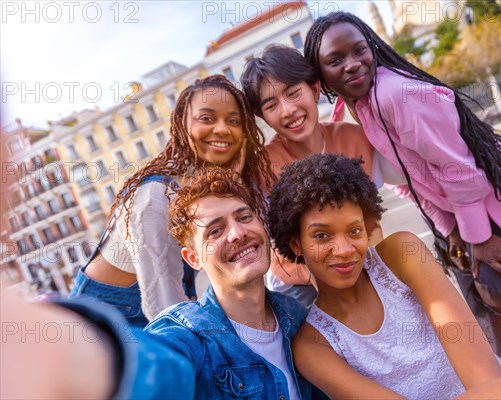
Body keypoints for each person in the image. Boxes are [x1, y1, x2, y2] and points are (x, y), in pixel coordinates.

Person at [304, 11, 501, 371]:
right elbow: (412, 177)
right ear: (321, 74)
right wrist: (450, 231)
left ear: (373, 47)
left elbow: (458, 171)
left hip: (488, 211)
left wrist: (478, 236)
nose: (352, 65)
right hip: (456, 218)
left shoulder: (396, 94)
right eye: (335, 60)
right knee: (476, 309)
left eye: (359, 50)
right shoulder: (358, 104)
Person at [267, 153, 501, 399]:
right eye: (322, 236)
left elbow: (485, 378)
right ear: (296, 242)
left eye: (354, 231)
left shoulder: (400, 255)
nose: (344, 249)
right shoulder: (312, 344)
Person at [1, 168, 315, 399]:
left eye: (244, 217)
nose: (237, 233)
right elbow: (154, 368)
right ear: (192, 259)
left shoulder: (297, 317)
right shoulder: (186, 336)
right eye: (215, 231)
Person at [69, 75, 275, 326]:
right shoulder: (154, 197)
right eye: (207, 118)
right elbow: (162, 307)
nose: (222, 129)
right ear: (182, 124)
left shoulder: (207, 184)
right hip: (105, 323)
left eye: (234, 121)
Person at [240, 45, 377, 306]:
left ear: (314, 89)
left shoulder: (354, 139)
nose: (288, 110)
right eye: (271, 105)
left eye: (293, 93)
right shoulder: (263, 167)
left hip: (356, 262)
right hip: (297, 281)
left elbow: (373, 220)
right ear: (263, 117)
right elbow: (282, 249)